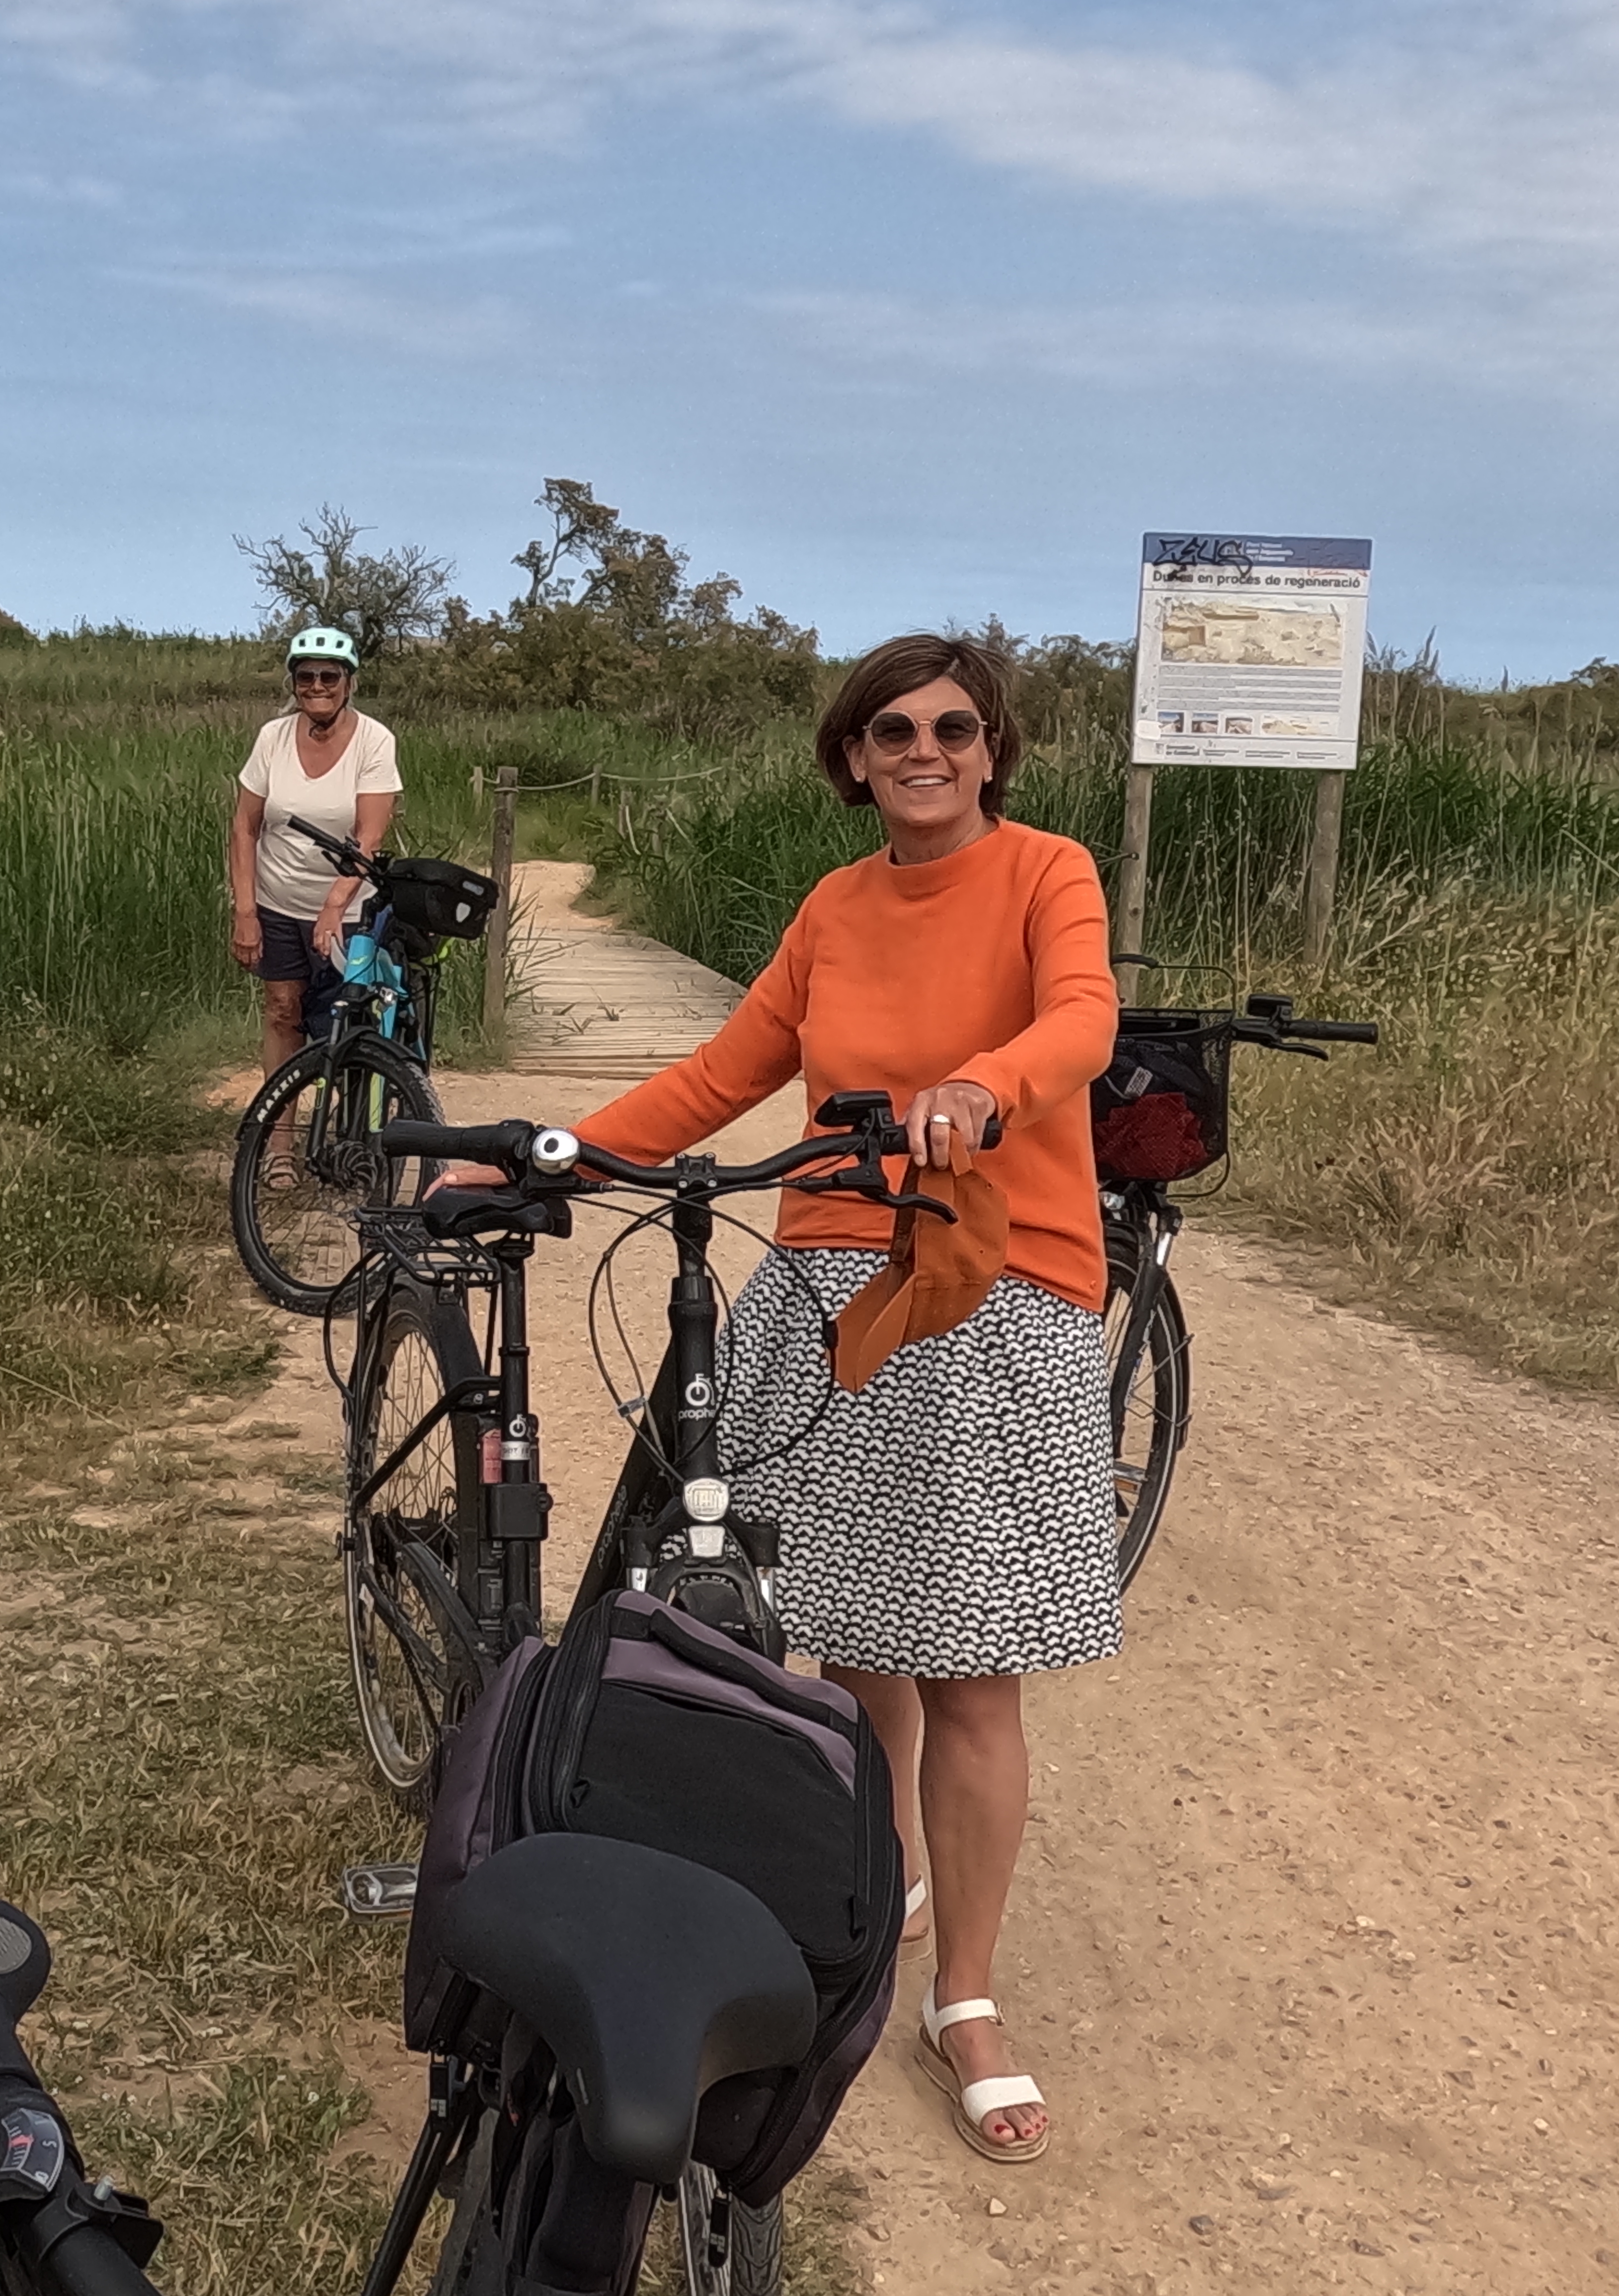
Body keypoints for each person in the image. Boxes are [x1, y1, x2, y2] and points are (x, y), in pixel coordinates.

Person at [558, 633, 1120, 2160]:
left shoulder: (1045, 874)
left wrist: (985, 1085)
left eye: (953, 726)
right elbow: (722, 1073)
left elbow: (1081, 1020)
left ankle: (968, 1994)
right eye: (890, 730)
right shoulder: (831, 906)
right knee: (848, 1630)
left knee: (969, 1669)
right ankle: (871, 1890)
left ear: (990, 749)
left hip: (991, 1287)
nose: (923, 748)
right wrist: (552, 1151)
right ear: (852, 759)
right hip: (821, 1286)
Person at [228, 627, 403, 1076]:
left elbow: (369, 837)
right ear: (293, 684)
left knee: (339, 1025)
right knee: (282, 1012)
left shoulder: (375, 740)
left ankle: (346, 1136)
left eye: (329, 676)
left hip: (344, 909)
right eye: (306, 677)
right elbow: (246, 826)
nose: (317, 687)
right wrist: (246, 911)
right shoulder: (273, 737)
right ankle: (280, 1141)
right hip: (278, 902)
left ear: (349, 683)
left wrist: (334, 904)